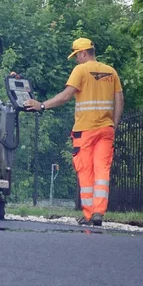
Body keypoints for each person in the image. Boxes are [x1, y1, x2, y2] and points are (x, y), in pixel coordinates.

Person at [25, 38, 124, 227]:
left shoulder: (81, 70)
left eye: (77, 56)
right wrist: (114, 124)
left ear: (84, 53)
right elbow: (120, 99)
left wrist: (42, 105)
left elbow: (66, 95)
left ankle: (88, 215)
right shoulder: (111, 72)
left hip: (85, 131)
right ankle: (98, 212)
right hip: (106, 129)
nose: (76, 60)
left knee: (85, 171)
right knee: (102, 171)